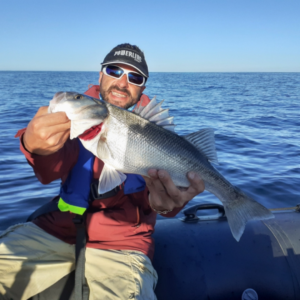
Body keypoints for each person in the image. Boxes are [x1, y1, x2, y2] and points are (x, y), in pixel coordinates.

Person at [0, 43, 204, 300]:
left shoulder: (156, 132)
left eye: (134, 77)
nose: (122, 82)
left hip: (123, 244)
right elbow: (49, 171)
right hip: (55, 230)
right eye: (114, 70)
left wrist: (167, 207)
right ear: (100, 75)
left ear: (142, 87)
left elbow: (168, 203)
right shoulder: (81, 117)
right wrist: (33, 146)